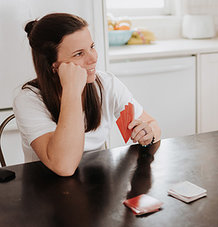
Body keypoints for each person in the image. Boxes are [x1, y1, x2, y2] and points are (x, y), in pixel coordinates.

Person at [13, 13, 161, 176]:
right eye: (79, 54)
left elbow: (152, 125)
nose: (93, 58)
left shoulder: (106, 84)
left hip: (96, 185)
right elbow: (64, 166)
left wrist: (148, 133)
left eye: (92, 46)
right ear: (53, 66)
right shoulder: (28, 100)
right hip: (46, 190)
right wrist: (72, 90)